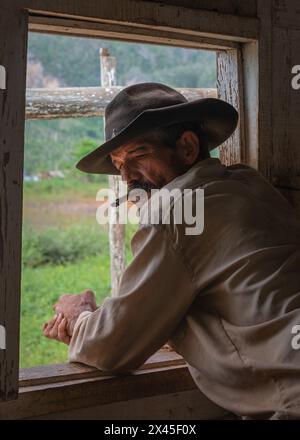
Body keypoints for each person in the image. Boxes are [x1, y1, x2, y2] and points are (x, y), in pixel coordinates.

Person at [43, 83, 300, 419]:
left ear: (187, 147)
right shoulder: (248, 184)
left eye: (137, 155)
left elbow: (112, 347)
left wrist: (79, 318)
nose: (126, 177)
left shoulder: (176, 211)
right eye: (119, 163)